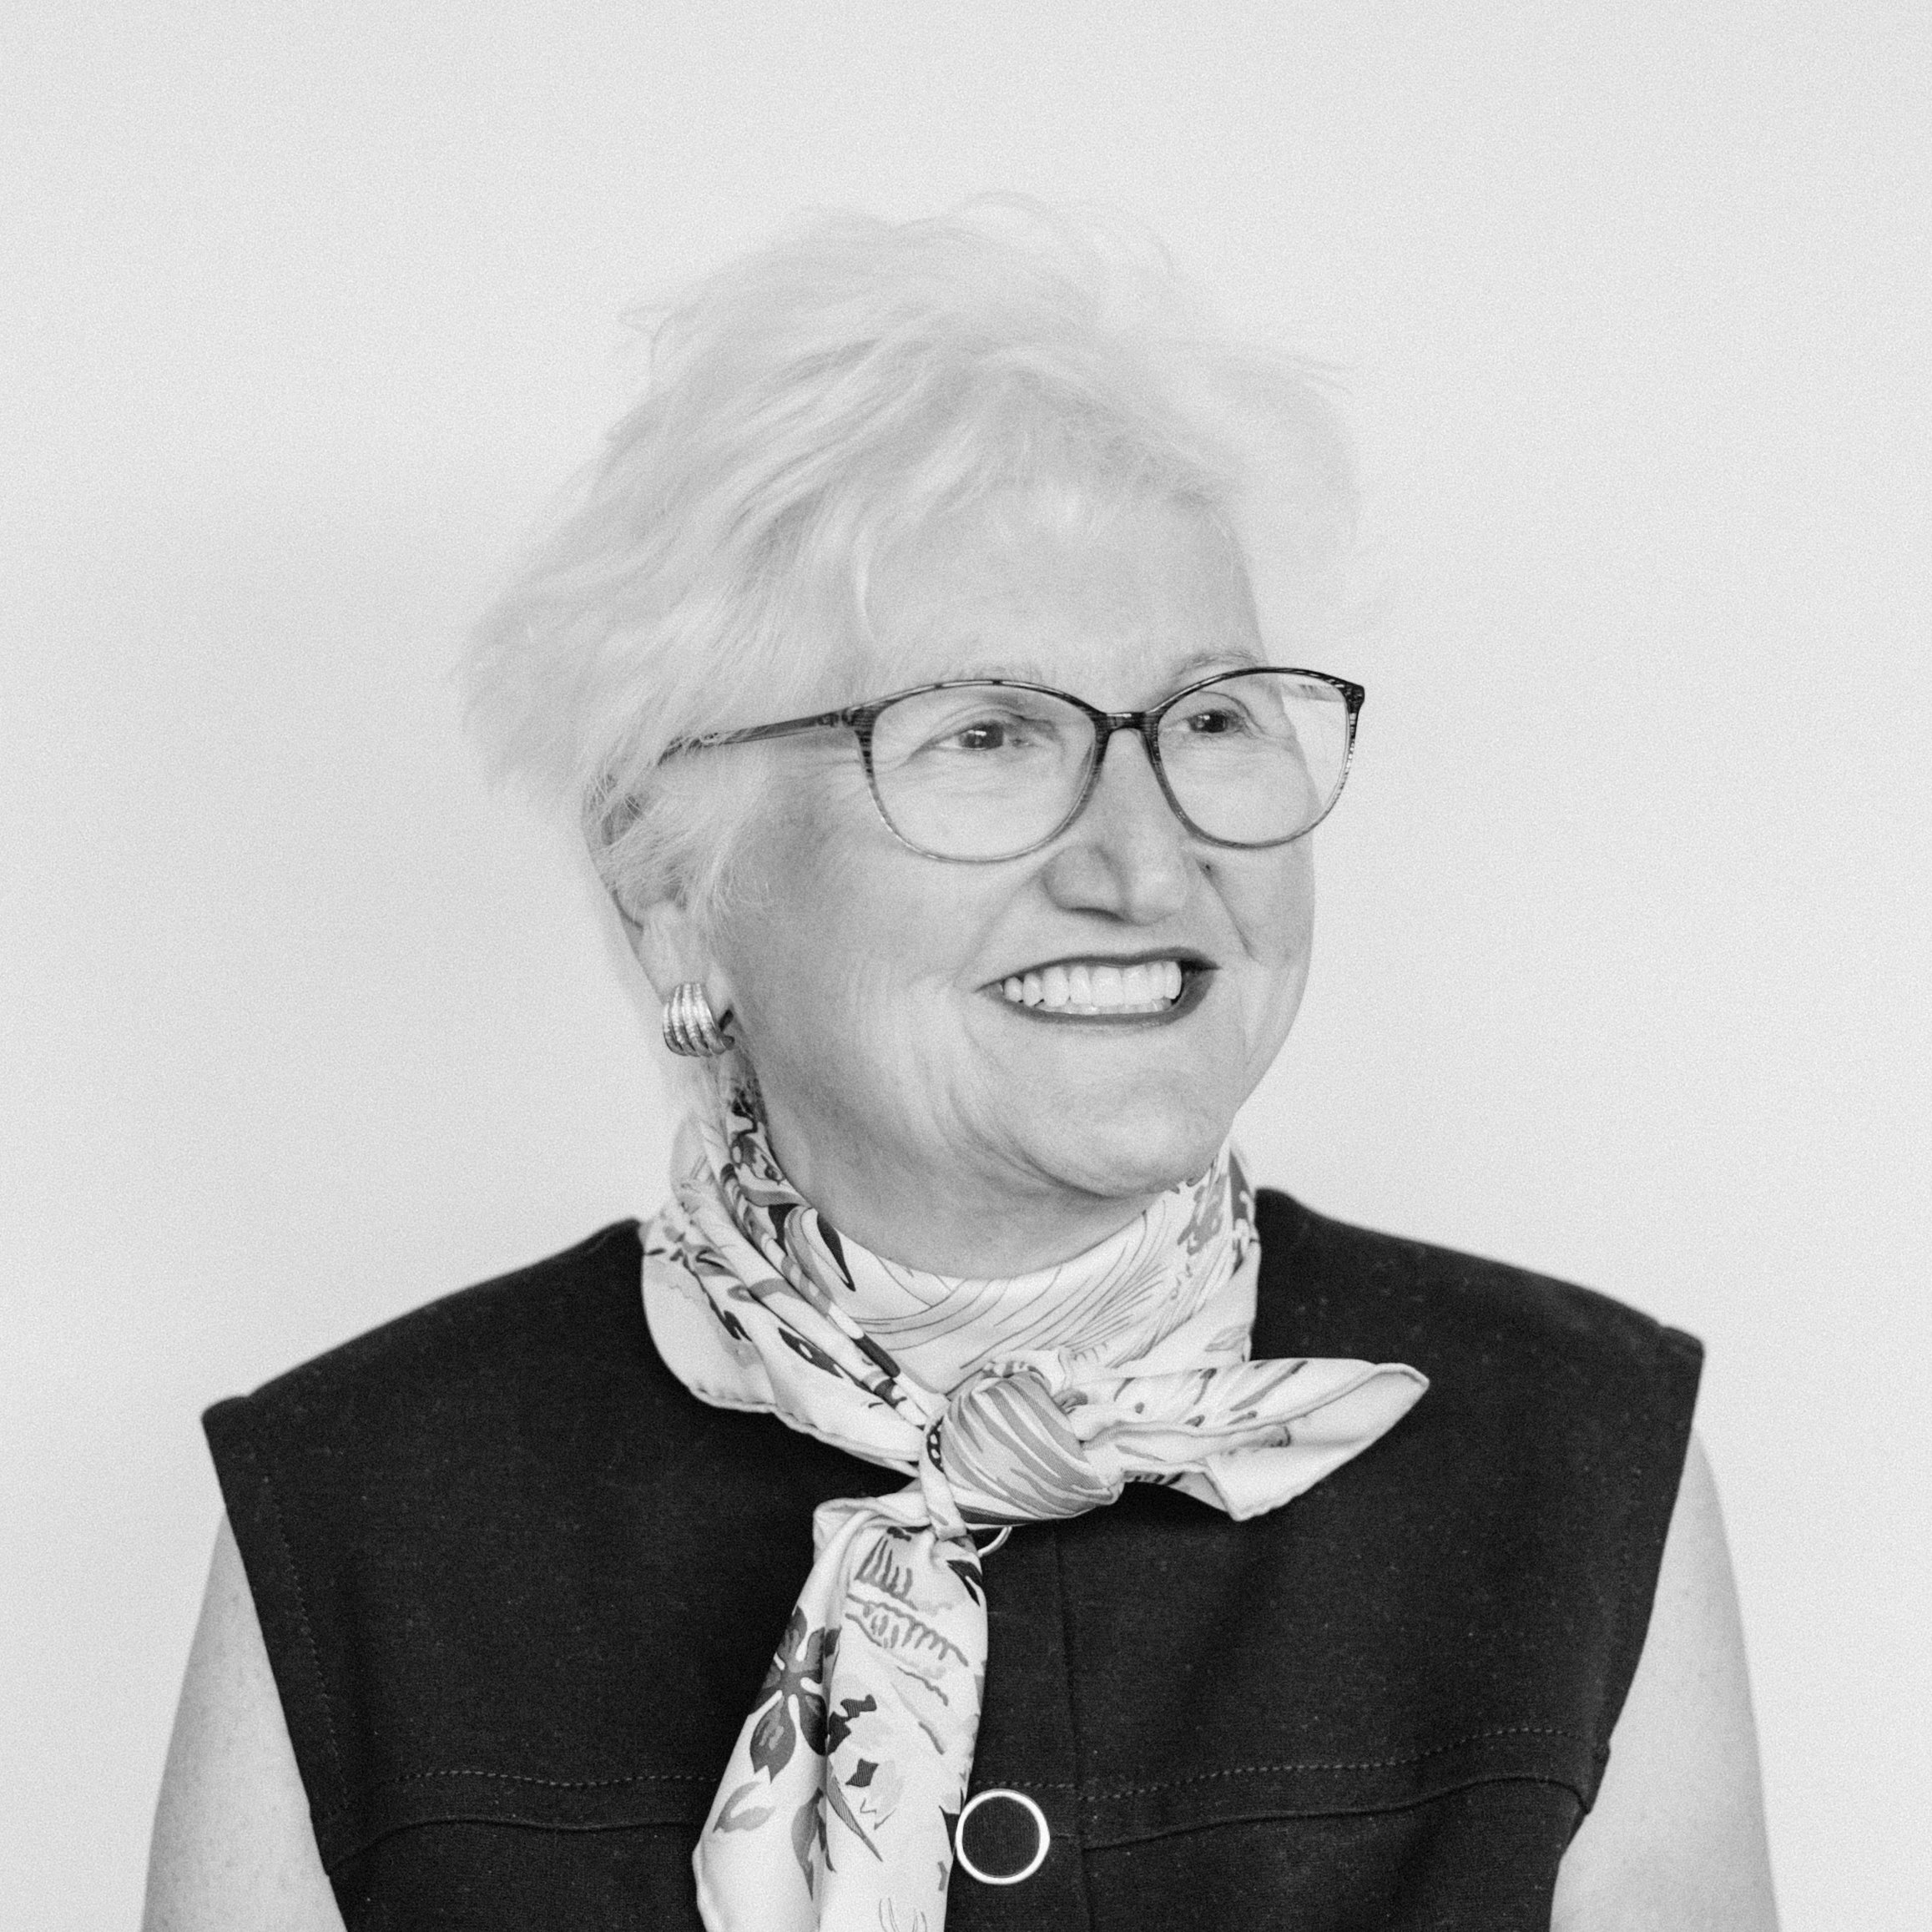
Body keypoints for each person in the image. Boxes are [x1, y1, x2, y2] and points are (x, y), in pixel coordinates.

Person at [144, 202, 1778, 1931]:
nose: (1147, 866)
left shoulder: (1575, 1463)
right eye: (988, 735)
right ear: (668, 879)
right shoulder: (366, 1512)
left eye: (1213, 718)